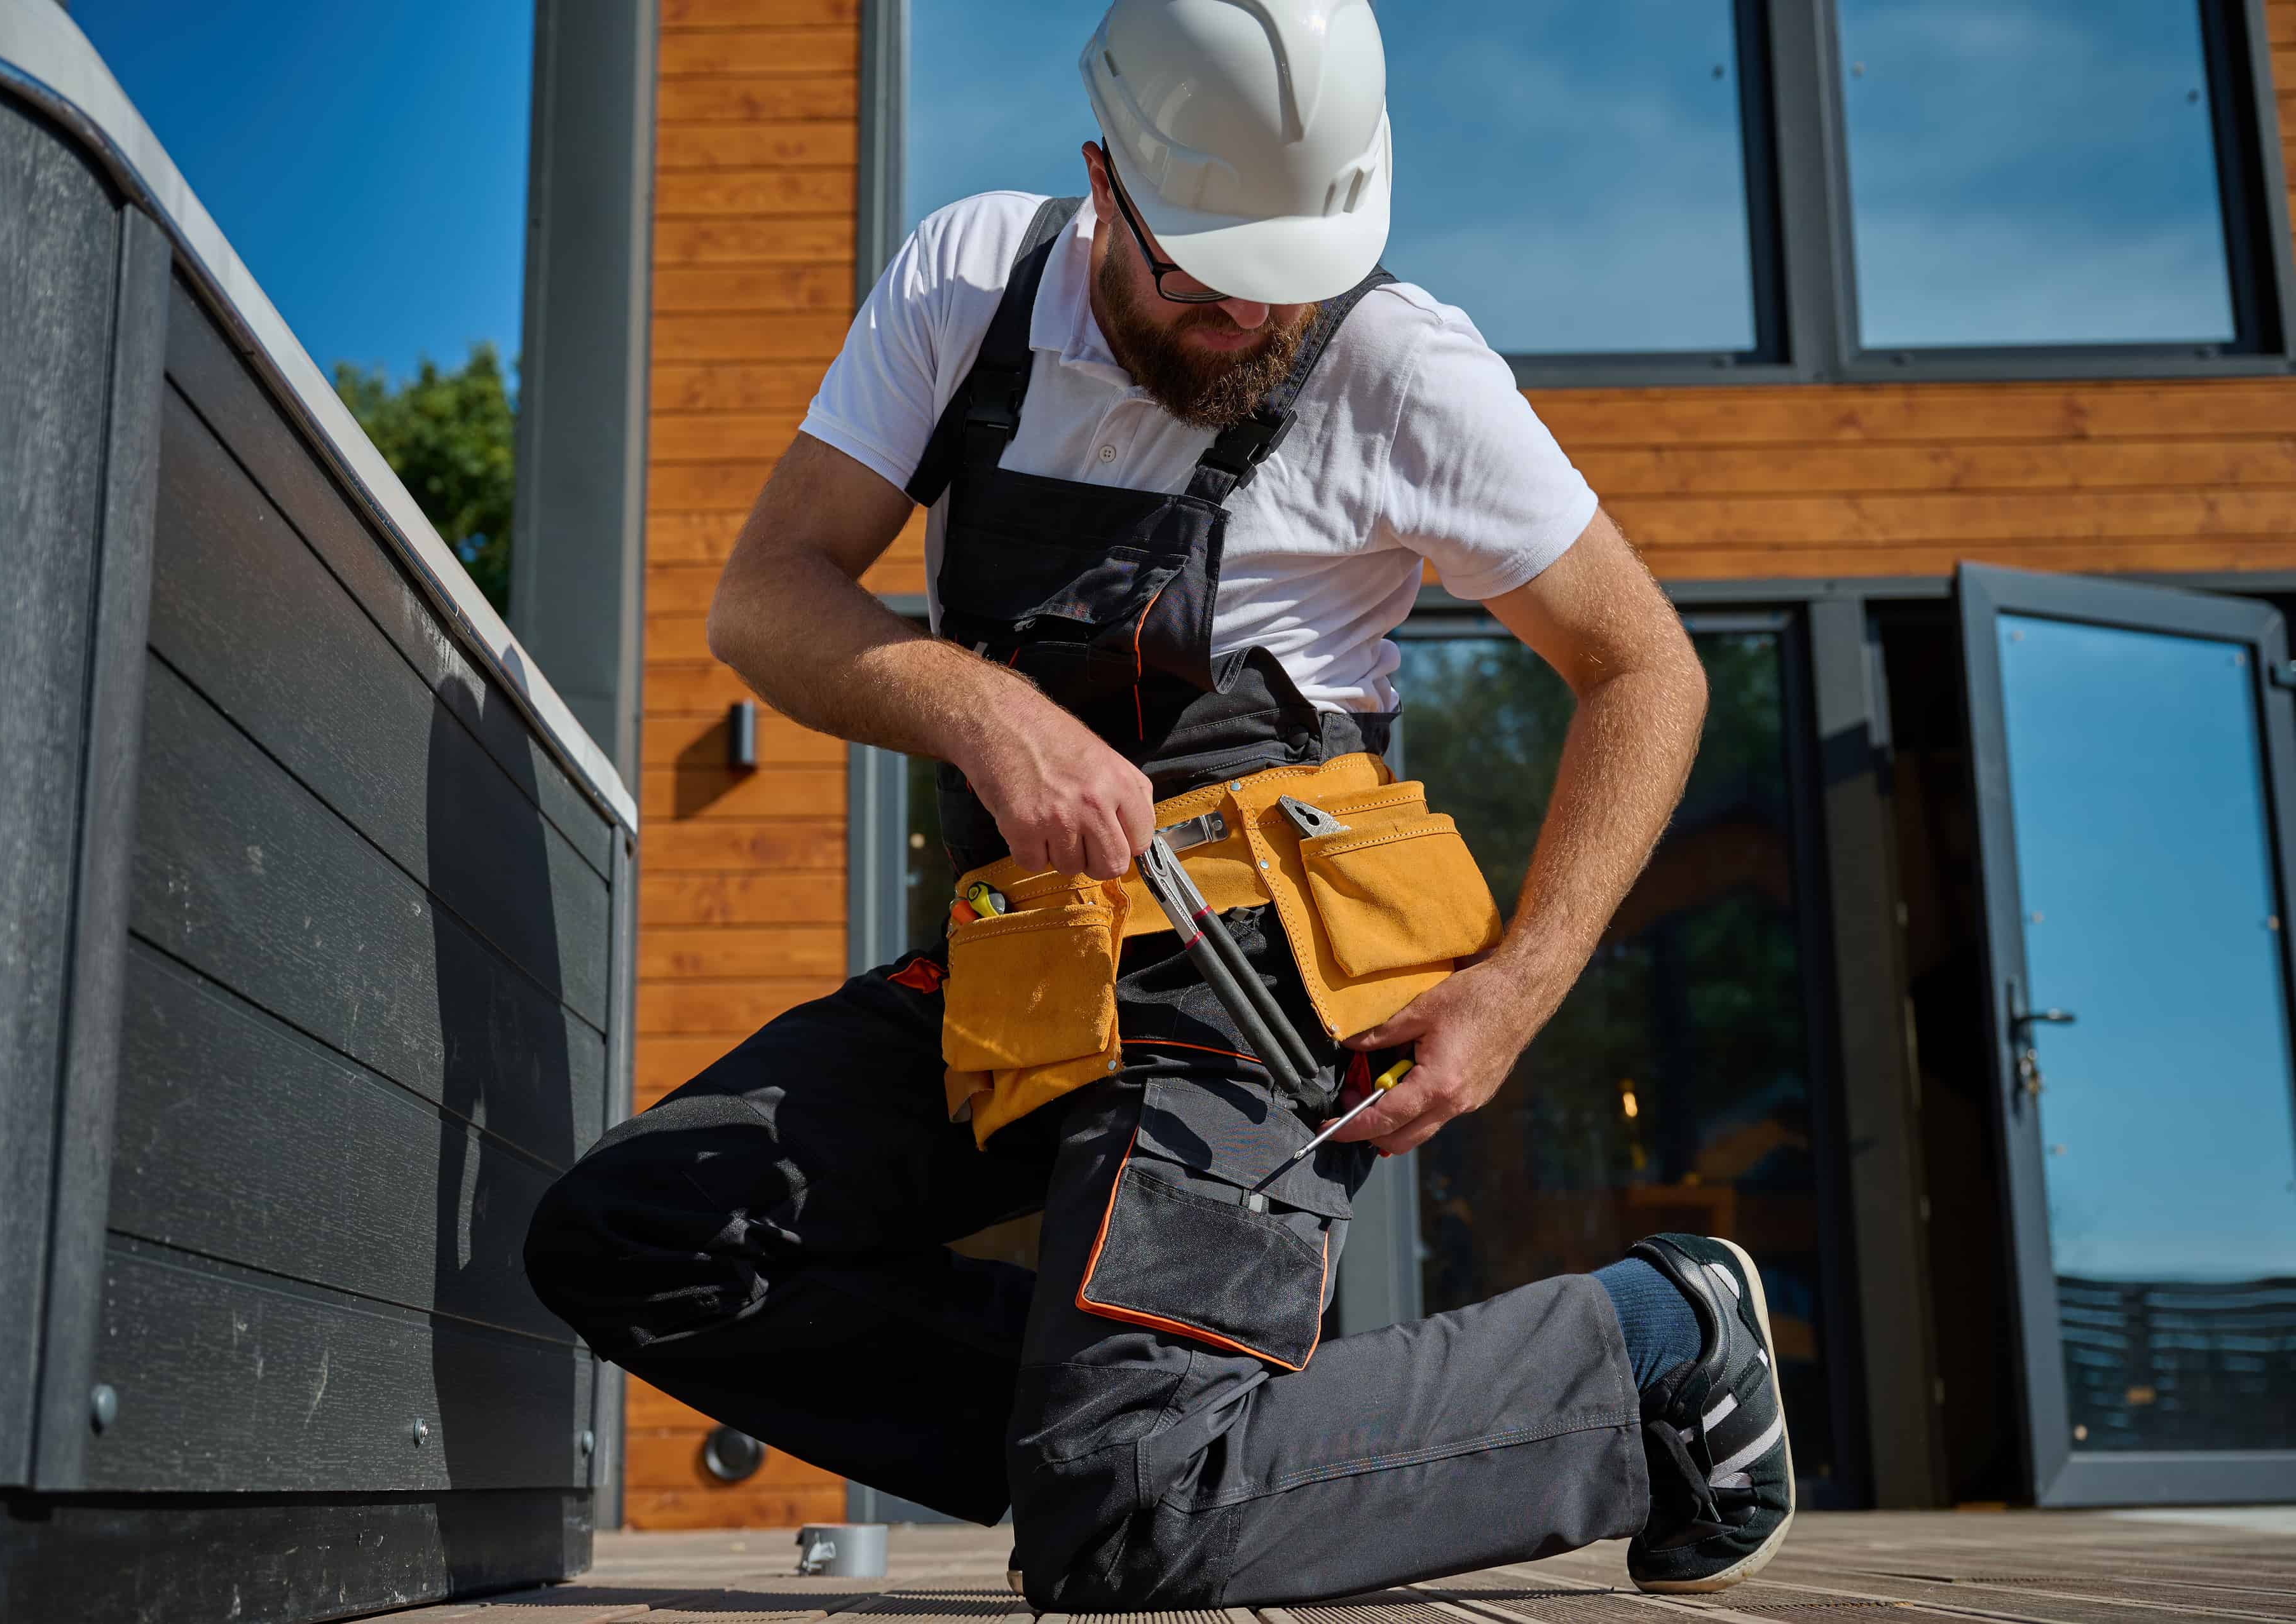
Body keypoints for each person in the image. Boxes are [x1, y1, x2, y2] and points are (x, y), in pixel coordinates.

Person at [526, 0, 1790, 1606]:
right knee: (633, 1235)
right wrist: (982, 710)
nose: (1242, 316)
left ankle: (1652, 1345)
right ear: (1104, 185)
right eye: (1201, 275)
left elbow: (1646, 671)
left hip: (1258, 1002)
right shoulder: (972, 282)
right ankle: (1142, 1453)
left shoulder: (1404, 367)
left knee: (1130, 1535)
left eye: (1284, 279)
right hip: (1027, 968)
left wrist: (1521, 986)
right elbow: (767, 600)